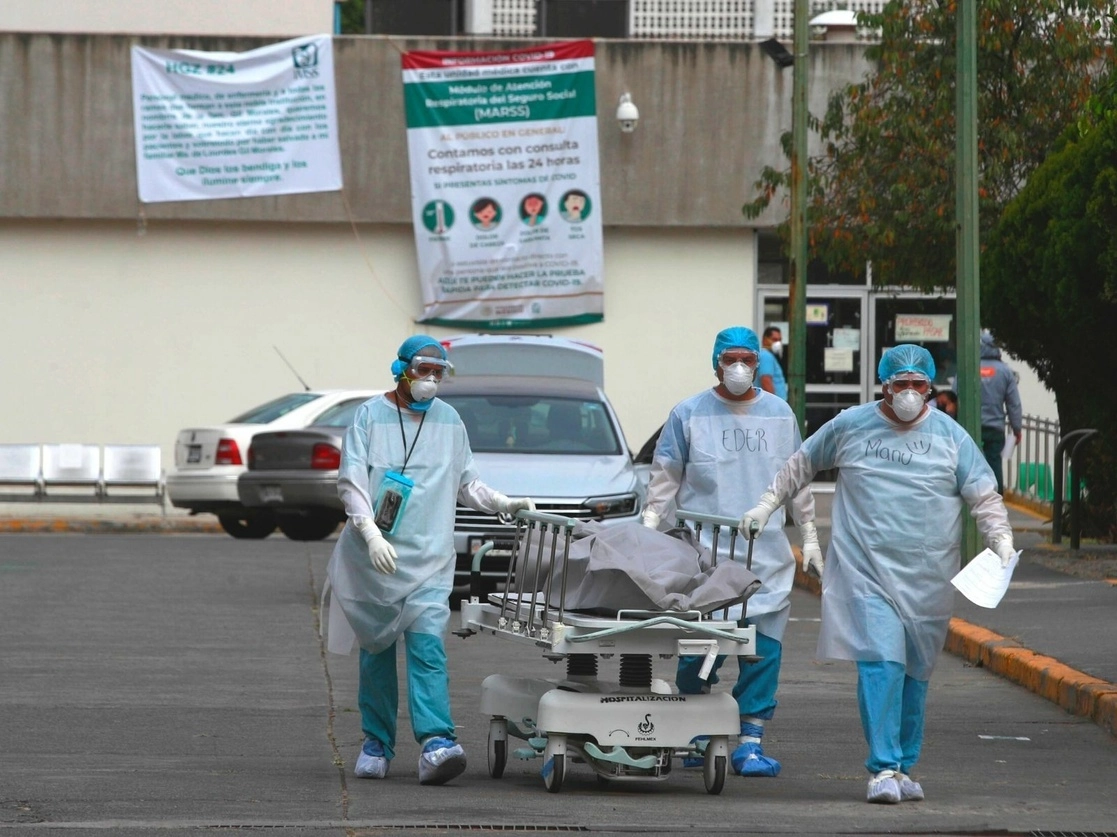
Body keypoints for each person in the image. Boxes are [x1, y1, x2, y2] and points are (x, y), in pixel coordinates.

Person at [739, 344, 1016, 804]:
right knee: (883, 663)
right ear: (884, 385)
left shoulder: (950, 437)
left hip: (928, 578)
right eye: (900, 384)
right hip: (866, 572)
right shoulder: (851, 426)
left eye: (919, 385)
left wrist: (1001, 540)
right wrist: (766, 505)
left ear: (930, 389)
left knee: (916, 673)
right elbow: (800, 465)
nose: (909, 393)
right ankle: (883, 766)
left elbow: (983, 496)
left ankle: (905, 765)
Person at [324, 335, 535, 785]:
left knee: (428, 649)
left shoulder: (449, 420)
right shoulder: (368, 417)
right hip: (374, 560)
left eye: (440, 372)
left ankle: (437, 744)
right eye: (424, 370)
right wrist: (370, 533)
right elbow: (351, 483)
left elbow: (467, 482)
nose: (432, 380)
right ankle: (376, 743)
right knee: (376, 651)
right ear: (401, 369)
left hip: (430, 561)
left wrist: (503, 502)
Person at [641, 326, 821, 778]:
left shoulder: (780, 415)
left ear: (758, 363)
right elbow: (664, 478)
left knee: (763, 651)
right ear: (716, 362)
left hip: (767, 558)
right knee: (698, 652)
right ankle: (696, 732)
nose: (739, 367)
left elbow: (796, 480)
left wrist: (811, 536)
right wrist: (646, 530)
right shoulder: (688, 415)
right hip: (705, 558)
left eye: (747, 359)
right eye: (731, 359)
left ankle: (750, 741)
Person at [979, 331, 1022, 493]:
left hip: (970, 426)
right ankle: (996, 497)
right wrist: (1016, 428)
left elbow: (955, 395)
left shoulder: (968, 367)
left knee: (969, 461)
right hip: (995, 427)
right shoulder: (1005, 371)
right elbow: (1014, 404)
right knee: (994, 462)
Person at [758, 326, 788, 400]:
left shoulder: (767, 355)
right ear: (764, 340)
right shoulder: (766, 356)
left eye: (779, 340)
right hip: (774, 405)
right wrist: (773, 404)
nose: (778, 343)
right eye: (774, 339)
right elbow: (766, 381)